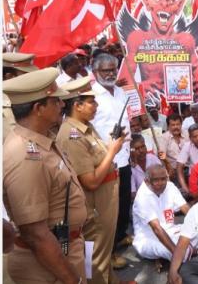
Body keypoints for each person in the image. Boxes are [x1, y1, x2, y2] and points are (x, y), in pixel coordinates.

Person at [3, 68, 88, 283]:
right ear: (38, 108)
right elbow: (35, 234)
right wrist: (72, 279)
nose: (62, 104)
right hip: (47, 266)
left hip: (64, 250)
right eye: (55, 101)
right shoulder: (25, 155)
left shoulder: (42, 141)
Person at [56, 77, 127, 283]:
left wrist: (112, 145)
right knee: (96, 258)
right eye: (91, 102)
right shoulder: (72, 134)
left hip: (103, 203)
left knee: (103, 253)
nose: (96, 106)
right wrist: (112, 151)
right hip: (95, 207)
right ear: (77, 105)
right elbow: (91, 181)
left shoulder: (85, 126)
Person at [90, 53, 132, 265]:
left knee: (124, 203)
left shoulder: (121, 92)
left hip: (125, 157)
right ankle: (110, 252)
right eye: (105, 70)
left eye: (113, 69)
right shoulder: (90, 96)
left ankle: (120, 236)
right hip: (105, 160)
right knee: (108, 210)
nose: (110, 74)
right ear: (95, 72)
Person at [132, 164, 190, 260]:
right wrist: (177, 255)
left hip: (172, 231)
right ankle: (184, 256)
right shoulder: (142, 197)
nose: (161, 183)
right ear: (147, 181)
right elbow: (157, 229)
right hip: (149, 238)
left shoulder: (170, 186)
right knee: (174, 251)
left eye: (163, 179)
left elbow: (186, 209)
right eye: (156, 180)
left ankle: (187, 253)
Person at [175, 124, 198, 195]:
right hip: (194, 178)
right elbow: (179, 167)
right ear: (190, 138)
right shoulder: (187, 145)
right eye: (195, 137)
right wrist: (185, 188)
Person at [158, 113, 188, 179]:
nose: (176, 127)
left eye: (178, 124)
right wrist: (168, 165)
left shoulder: (187, 134)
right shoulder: (164, 138)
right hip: (174, 171)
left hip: (188, 168)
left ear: (181, 125)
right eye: (173, 125)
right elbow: (161, 154)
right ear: (168, 126)